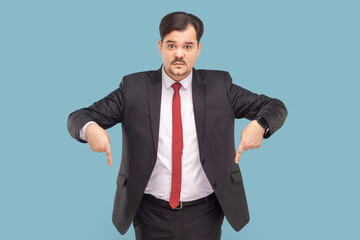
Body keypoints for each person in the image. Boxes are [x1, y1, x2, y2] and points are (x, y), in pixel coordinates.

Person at [67, 11, 287, 240]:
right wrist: (90, 129)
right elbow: (78, 117)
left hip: (206, 213)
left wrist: (260, 125)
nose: (179, 54)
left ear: (199, 49)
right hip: (149, 212)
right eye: (171, 46)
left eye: (188, 46)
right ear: (160, 46)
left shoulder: (220, 87)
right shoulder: (133, 88)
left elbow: (275, 106)